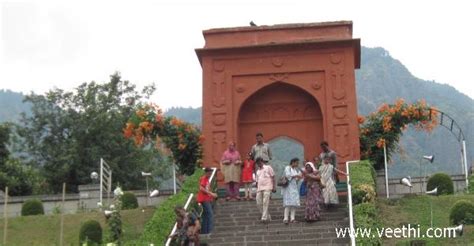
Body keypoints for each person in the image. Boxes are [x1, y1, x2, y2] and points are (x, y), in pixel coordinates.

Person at [197, 167, 218, 234]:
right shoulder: (204, 178)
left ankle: (205, 231)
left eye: (210, 173)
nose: (210, 174)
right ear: (206, 173)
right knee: (210, 214)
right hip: (204, 199)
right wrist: (211, 194)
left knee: (205, 215)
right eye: (209, 173)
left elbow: (206, 189)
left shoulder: (207, 179)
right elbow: (201, 188)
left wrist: (211, 195)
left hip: (206, 199)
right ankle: (209, 231)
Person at [281, 158, 302, 224]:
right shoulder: (288, 168)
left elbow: (295, 180)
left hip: (294, 188)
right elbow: (288, 176)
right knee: (288, 203)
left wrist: (298, 178)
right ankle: (285, 218)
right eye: (296, 163)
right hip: (288, 188)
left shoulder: (295, 170)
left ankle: (293, 218)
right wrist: (296, 175)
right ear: (293, 162)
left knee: (294, 203)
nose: (297, 164)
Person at [255, 157, 276, 223]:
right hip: (259, 188)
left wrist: (274, 187)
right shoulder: (258, 171)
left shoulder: (268, 167)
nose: (259, 164)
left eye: (259, 162)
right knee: (258, 203)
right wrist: (257, 188)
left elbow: (273, 177)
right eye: (257, 163)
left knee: (265, 202)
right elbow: (257, 181)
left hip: (267, 186)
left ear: (262, 161)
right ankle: (267, 216)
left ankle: (264, 218)